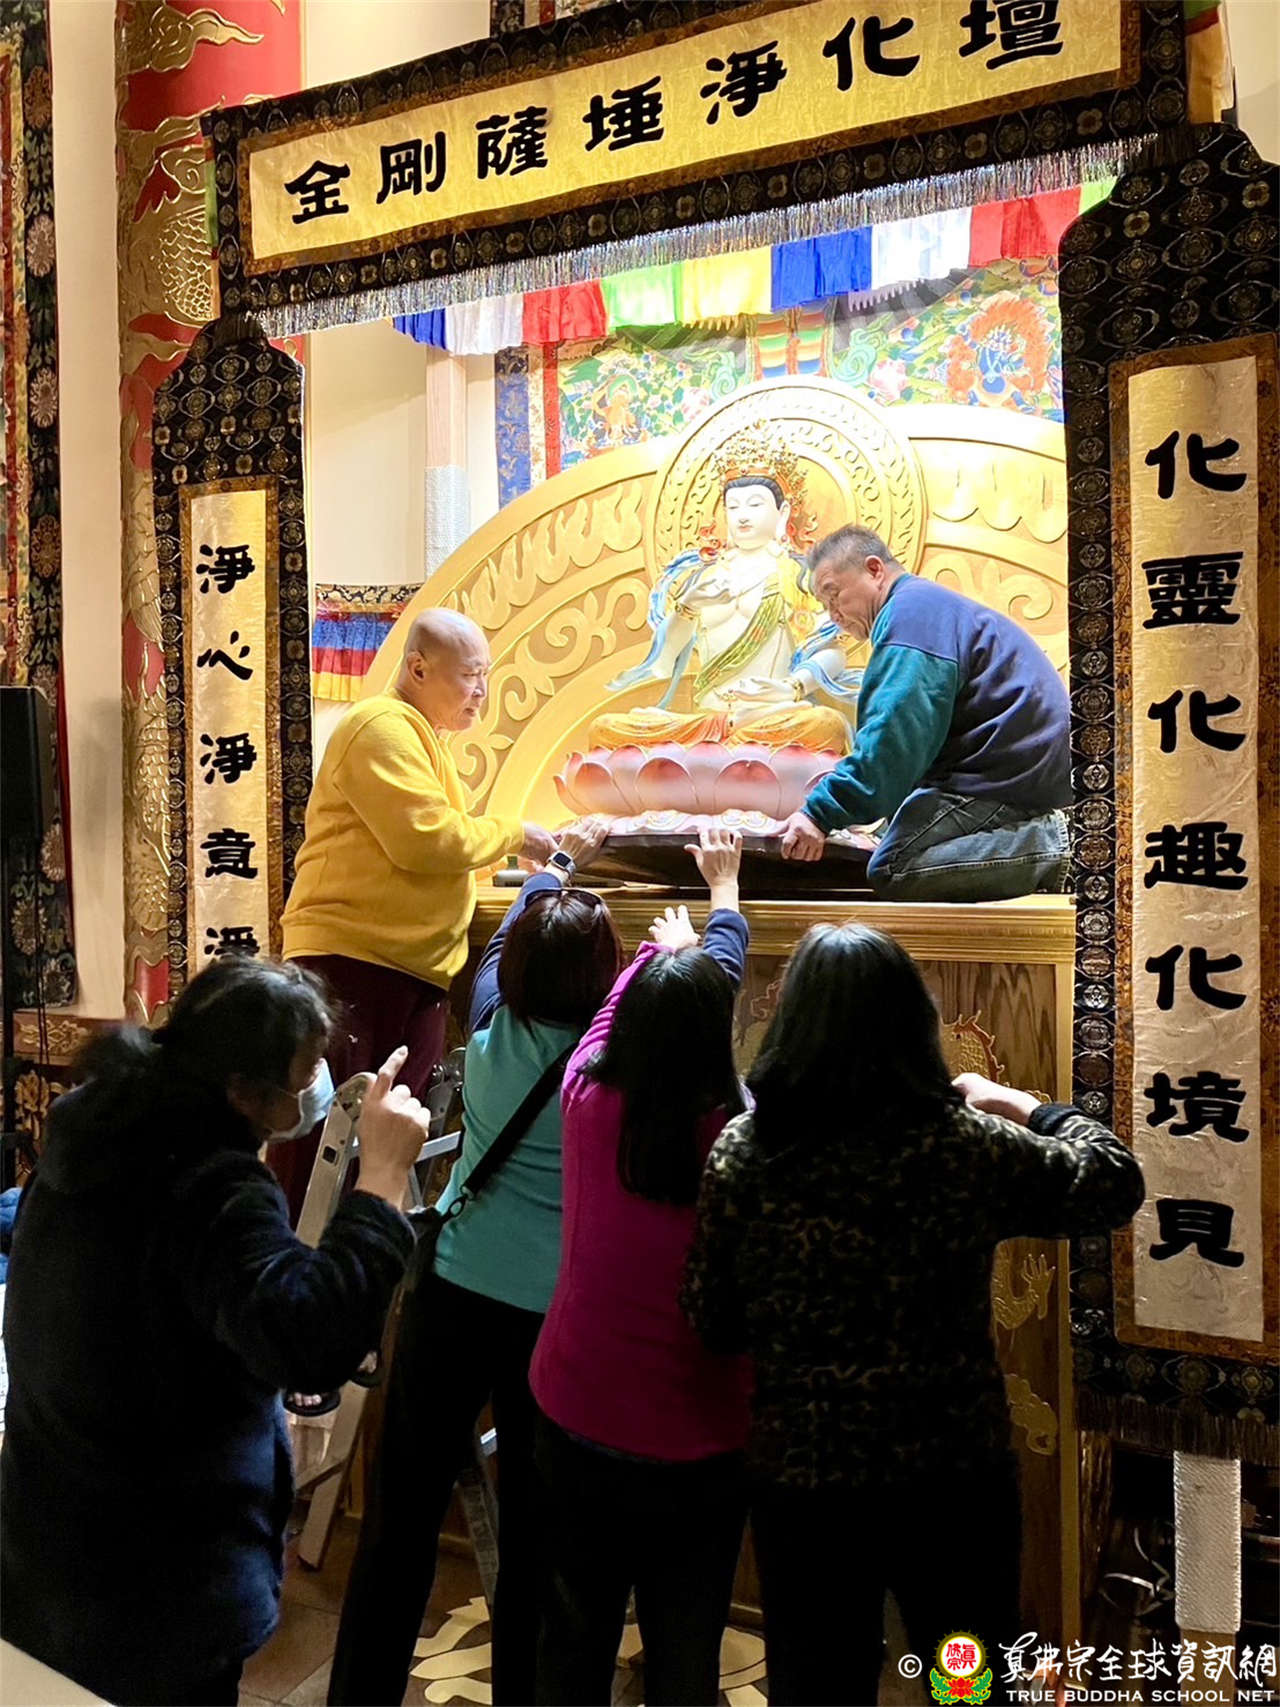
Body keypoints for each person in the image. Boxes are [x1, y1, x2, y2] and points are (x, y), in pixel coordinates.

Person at [682, 924, 1146, 1706]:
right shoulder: (961, 1145)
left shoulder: (746, 1151)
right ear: (913, 1025)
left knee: (816, 1686)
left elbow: (713, 1317)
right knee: (966, 1681)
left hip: (806, 1476)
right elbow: (1114, 1178)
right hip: (950, 1474)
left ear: (792, 1021)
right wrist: (1024, 1105)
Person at [0, 957, 432, 1707]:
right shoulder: (211, 1184)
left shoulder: (98, 1130)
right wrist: (382, 1181)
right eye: (303, 1076)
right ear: (241, 1089)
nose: (314, 1090)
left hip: (50, 1544)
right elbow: (308, 1339)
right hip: (157, 1581)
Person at [327, 819, 618, 1707]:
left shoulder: (489, 1030)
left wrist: (552, 869)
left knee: (400, 1518)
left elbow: (501, 940)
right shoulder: (613, 1072)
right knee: (536, 1532)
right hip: (553, 1317)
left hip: (453, 1289)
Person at [531, 827, 753, 1707]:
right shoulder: (742, 1136)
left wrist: (660, 956)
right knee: (685, 1644)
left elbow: (609, 1020)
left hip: (575, 1405)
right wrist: (723, 898)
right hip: (699, 1434)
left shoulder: (584, 1096)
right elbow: (703, 1000)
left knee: (573, 1634)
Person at [275, 608, 556, 1221]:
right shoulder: (380, 725)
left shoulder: (423, 737)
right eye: (470, 676)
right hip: (353, 962)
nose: (481, 692)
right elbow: (425, 840)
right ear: (419, 668)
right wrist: (516, 833)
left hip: (406, 970)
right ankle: (297, 1266)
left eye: (485, 676)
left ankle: (366, 1265)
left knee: (386, 1149)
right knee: (325, 1149)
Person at [779, 525, 1071, 900]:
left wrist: (819, 813)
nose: (833, 614)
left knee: (894, 866)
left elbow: (892, 743)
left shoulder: (910, 616)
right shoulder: (921, 607)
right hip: (1003, 771)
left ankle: (1058, 844)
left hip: (1003, 780)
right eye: (825, 605)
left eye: (834, 595)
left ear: (874, 569)